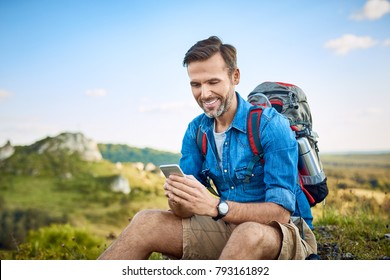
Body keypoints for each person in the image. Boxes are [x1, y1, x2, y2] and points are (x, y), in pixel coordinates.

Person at [98, 36, 317, 260]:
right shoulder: (196, 130)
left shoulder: (271, 126)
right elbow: (184, 212)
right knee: (146, 221)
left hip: (281, 233)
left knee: (248, 233)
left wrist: (216, 206)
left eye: (213, 82)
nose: (204, 94)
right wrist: (179, 199)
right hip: (227, 226)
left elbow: (280, 213)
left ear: (235, 77)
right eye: (196, 84)